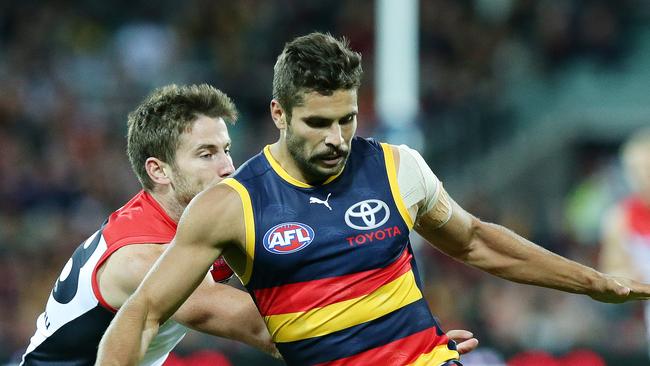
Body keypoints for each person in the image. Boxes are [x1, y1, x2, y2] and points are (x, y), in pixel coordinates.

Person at [96, 33, 650, 366]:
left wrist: (595, 282)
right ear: (279, 115)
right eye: (317, 123)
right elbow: (141, 314)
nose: (337, 138)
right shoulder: (230, 206)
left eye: (347, 118)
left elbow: (478, 243)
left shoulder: (396, 166)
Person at [20, 84, 279, 365]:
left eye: (225, 149)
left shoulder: (195, 219)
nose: (228, 166)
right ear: (159, 170)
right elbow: (267, 331)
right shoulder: (141, 256)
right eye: (206, 154)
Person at [600, 127, 650, 358]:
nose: (642, 176)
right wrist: (631, 279)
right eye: (635, 170)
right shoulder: (619, 219)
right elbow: (610, 274)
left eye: (647, 168)